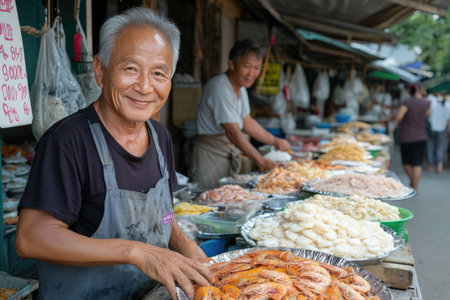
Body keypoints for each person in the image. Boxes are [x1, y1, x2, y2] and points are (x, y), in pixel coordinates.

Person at [15, 7, 212, 300]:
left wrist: (186, 247)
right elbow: (31, 238)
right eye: (130, 68)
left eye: (159, 73)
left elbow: (164, 215)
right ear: (100, 70)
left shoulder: (160, 138)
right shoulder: (67, 141)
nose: (145, 87)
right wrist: (135, 251)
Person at [191, 39, 291, 188]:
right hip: (210, 154)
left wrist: (275, 141)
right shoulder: (220, 87)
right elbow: (233, 132)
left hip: (227, 152)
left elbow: (247, 122)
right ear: (232, 64)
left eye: (257, 68)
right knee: (208, 199)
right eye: (246, 66)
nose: (252, 73)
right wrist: (259, 160)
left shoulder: (241, 88)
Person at [393, 82, 430, 190]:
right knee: (417, 163)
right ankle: (415, 186)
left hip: (406, 136)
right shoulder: (427, 102)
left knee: (406, 163)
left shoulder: (407, 102)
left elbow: (399, 116)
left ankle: (412, 183)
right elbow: (428, 114)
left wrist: (395, 120)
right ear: (420, 89)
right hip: (421, 136)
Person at [426, 92, 450, 173]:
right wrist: (448, 129)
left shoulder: (431, 102)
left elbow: (427, 114)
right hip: (442, 128)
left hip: (431, 128)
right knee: (441, 147)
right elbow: (448, 120)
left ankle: (430, 166)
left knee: (430, 147)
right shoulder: (447, 104)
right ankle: (440, 166)